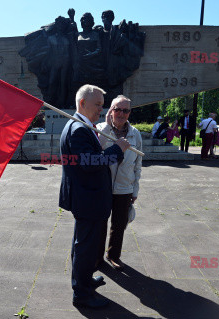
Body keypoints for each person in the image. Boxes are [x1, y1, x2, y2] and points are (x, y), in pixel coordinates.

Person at [59, 84, 129, 309]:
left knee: (83, 245)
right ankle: (82, 294)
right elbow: (89, 163)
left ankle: (84, 280)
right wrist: (117, 149)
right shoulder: (78, 128)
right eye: (98, 104)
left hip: (87, 197)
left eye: (102, 104)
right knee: (86, 247)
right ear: (82, 103)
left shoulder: (83, 126)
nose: (102, 109)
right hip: (87, 199)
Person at [96, 95, 142, 271]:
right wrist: (107, 127)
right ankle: (97, 257)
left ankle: (114, 255)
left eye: (126, 110)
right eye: (117, 109)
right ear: (111, 110)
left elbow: (138, 164)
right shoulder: (101, 129)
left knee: (119, 224)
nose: (121, 114)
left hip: (124, 187)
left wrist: (135, 189)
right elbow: (95, 154)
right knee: (100, 223)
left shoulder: (135, 134)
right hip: (103, 187)